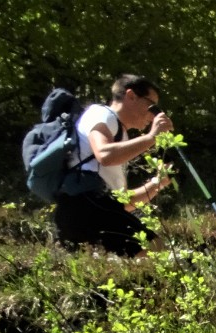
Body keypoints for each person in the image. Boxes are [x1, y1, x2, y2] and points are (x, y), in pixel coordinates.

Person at [54, 75, 174, 257]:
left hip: (83, 210)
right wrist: (152, 137)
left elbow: (121, 204)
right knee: (156, 251)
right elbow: (105, 154)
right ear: (131, 96)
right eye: (152, 106)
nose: (154, 115)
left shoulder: (118, 133)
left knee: (144, 258)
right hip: (85, 206)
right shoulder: (102, 114)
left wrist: (158, 183)